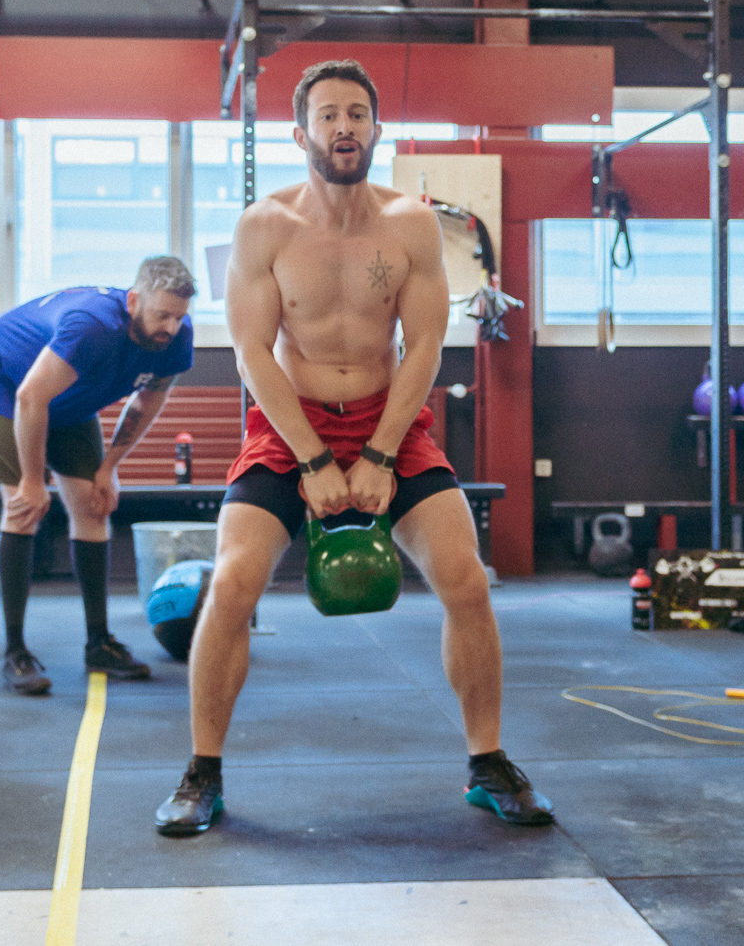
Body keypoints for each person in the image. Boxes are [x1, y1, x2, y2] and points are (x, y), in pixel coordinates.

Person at [153, 58, 553, 837]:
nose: (345, 127)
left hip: (387, 421)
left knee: (467, 580)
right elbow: (252, 353)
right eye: (329, 114)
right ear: (301, 133)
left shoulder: (409, 224)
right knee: (232, 582)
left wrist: (378, 454)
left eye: (358, 114)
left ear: (376, 130)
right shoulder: (265, 226)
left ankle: (488, 763)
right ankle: (202, 773)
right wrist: (312, 459)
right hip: (288, 426)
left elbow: (426, 346)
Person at [0, 256, 197, 695]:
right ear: (134, 301)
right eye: (162, 315)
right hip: (7, 385)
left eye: (179, 317)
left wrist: (110, 467)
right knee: (23, 509)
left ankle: (99, 643)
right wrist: (33, 480)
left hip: (70, 397)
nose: (171, 327)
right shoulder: (92, 326)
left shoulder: (177, 338)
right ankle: (15, 651)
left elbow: (147, 402)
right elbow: (31, 398)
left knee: (94, 505)